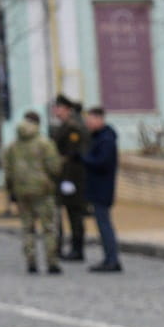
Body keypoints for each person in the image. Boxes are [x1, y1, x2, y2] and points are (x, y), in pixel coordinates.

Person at [0, 111, 64, 275]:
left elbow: (7, 170)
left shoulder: (12, 147)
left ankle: (31, 261)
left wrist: (10, 190)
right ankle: (52, 261)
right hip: (43, 191)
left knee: (27, 228)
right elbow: (55, 167)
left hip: (22, 192)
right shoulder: (44, 144)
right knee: (48, 227)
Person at [50, 95, 91, 262]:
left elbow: (74, 156)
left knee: (75, 213)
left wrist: (68, 180)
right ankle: (65, 247)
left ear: (66, 109)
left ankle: (77, 248)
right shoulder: (64, 126)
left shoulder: (73, 128)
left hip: (73, 176)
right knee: (67, 212)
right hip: (63, 175)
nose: (55, 111)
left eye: (58, 107)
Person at [82, 106, 122, 272]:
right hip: (97, 187)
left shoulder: (106, 139)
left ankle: (112, 259)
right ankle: (109, 258)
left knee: (104, 225)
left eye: (91, 120)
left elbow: (101, 162)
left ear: (99, 119)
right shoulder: (99, 137)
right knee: (102, 224)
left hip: (102, 188)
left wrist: (84, 159)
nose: (88, 124)